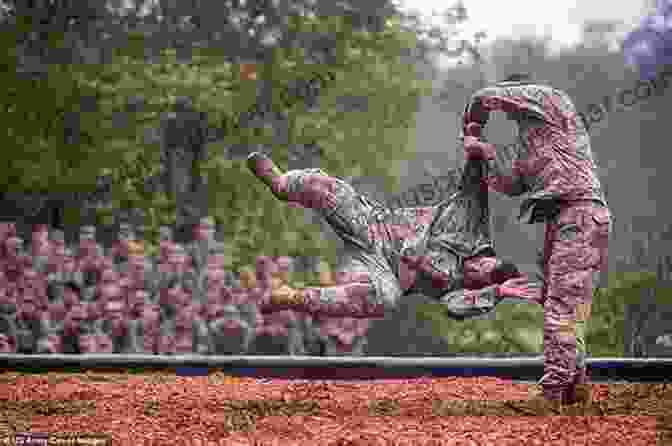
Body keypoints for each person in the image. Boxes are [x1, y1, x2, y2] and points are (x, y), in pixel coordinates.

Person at [461, 73, 612, 412]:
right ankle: (574, 387)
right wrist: (483, 152)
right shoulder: (532, 139)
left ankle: (551, 395)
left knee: (561, 307)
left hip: (580, 214)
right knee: (565, 305)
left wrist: (472, 122)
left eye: (511, 106)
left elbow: (485, 97)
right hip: (563, 220)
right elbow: (512, 184)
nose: (510, 114)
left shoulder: (552, 101)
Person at [246, 151, 538, 321]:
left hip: (380, 271)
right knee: (326, 189)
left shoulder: (460, 290)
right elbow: (474, 182)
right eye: (480, 268)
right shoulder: (469, 224)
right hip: (375, 226)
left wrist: (496, 293)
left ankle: (294, 297)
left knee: (387, 299)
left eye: (477, 280)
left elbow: (455, 308)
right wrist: (477, 143)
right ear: (487, 258)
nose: (472, 273)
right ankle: (281, 182)